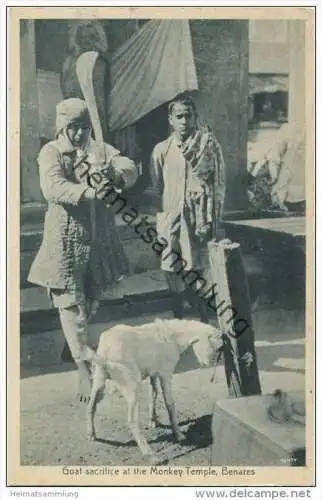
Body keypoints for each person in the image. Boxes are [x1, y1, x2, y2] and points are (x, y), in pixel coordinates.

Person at [28, 98, 138, 403]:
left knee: (92, 299)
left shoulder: (99, 149)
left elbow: (128, 167)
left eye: (84, 127)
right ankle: (82, 370)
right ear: (62, 127)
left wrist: (115, 175)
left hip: (99, 238)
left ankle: (74, 343)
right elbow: (53, 188)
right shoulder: (50, 152)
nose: (79, 134)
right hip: (66, 238)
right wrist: (91, 191)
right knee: (71, 304)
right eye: (73, 128)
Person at [150, 93, 226, 323]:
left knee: (199, 267)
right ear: (171, 120)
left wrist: (211, 214)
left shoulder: (207, 147)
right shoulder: (161, 150)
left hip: (198, 219)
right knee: (172, 266)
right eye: (179, 116)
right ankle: (178, 316)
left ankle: (204, 317)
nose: (184, 121)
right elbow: (157, 184)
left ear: (195, 118)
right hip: (171, 217)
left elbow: (219, 181)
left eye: (188, 116)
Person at [60, 20, 110, 142]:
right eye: (83, 37)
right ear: (78, 39)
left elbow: (100, 101)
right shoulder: (69, 64)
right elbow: (65, 91)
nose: (88, 41)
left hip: (93, 119)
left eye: (92, 37)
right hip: (77, 117)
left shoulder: (99, 62)